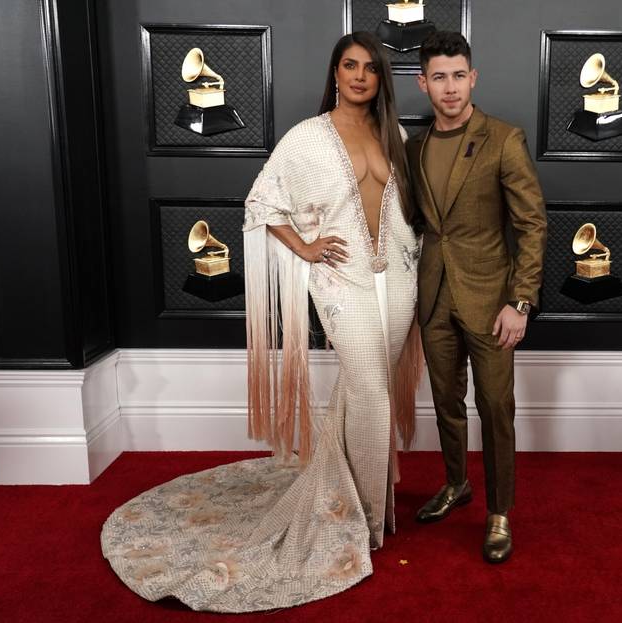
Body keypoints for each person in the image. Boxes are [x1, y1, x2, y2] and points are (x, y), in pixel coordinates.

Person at [101, 32, 422, 612]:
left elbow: (411, 214)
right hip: (340, 279)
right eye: (349, 66)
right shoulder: (307, 137)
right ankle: (366, 521)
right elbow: (262, 200)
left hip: (397, 278)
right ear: (335, 73)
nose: (359, 76)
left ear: (381, 79)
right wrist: (303, 247)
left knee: (361, 388)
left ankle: (352, 498)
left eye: (370, 68)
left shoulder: (394, 135)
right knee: (371, 387)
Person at [406, 31, 547, 564]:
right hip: (434, 295)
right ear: (423, 83)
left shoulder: (504, 139)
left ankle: (499, 513)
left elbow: (532, 225)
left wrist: (522, 301)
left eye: (458, 75)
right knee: (446, 403)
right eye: (438, 77)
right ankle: (455, 484)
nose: (450, 87)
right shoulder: (414, 146)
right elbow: (416, 222)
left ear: (473, 78)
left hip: (493, 303)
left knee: (495, 407)